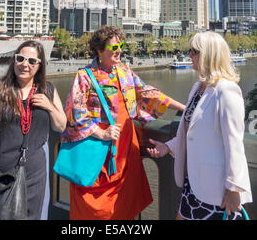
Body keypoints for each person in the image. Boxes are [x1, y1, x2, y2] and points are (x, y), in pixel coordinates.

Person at [61, 25, 185, 220]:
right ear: (99, 51)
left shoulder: (124, 71)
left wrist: (184, 108)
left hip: (125, 145)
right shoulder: (84, 76)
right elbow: (75, 112)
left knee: (124, 204)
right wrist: (101, 133)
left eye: (121, 45)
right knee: (95, 207)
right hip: (98, 146)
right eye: (114, 47)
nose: (119, 50)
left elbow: (149, 94)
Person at [147, 31, 252, 220]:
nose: (190, 55)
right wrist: (167, 147)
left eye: (194, 51)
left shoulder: (227, 91)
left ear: (209, 54)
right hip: (193, 184)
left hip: (216, 192)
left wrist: (234, 189)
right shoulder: (198, 88)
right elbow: (191, 132)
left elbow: (234, 144)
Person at [0, 40, 67, 220]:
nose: (25, 64)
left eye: (32, 61)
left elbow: (61, 126)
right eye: (21, 58)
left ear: (39, 66)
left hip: (33, 175)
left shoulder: (48, 90)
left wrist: (50, 106)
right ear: (14, 60)